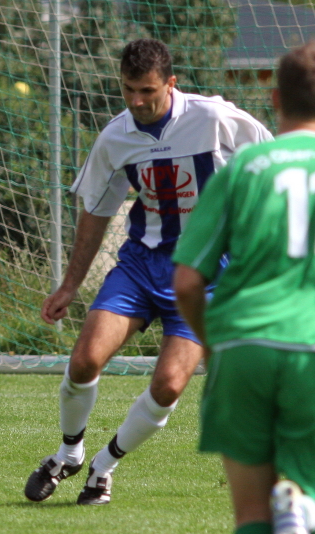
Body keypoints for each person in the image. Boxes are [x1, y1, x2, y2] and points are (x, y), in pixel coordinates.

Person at [24, 38, 273, 506]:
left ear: (171, 84)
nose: (136, 101)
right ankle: (68, 453)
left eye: (147, 91)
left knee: (169, 385)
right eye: (128, 90)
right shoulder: (115, 137)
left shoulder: (216, 118)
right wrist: (70, 285)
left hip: (207, 275)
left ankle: (103, 468)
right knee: (84, 360)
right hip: (141, 265)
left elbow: (273, 164)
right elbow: (96, 211)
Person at [174, 41, 315, 534]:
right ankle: (304, 506)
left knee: (252, 516)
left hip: (242, 344)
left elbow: (187, 282)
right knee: (306, 483)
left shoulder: (242, 168)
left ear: (275, 99)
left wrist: (213, 345)